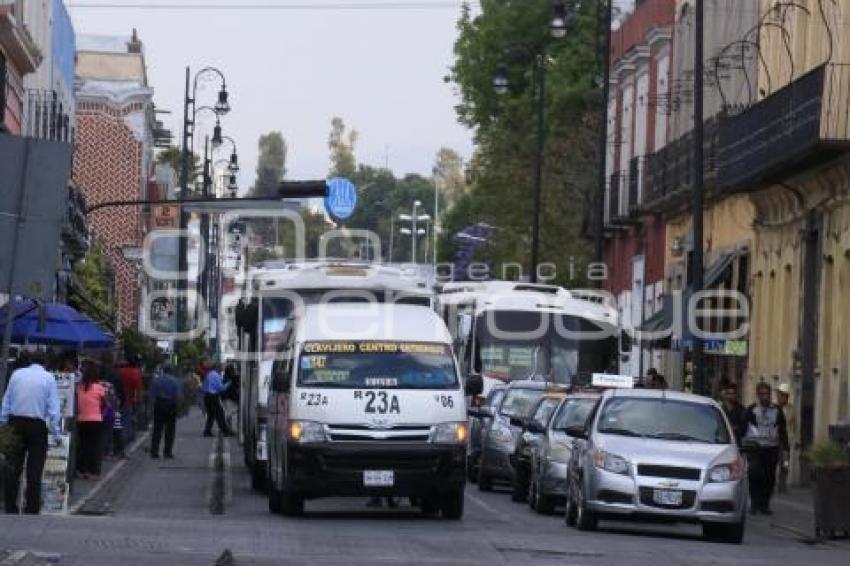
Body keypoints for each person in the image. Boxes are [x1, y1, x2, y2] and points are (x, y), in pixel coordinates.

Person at [0, 351, 61, 514]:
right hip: (36, 425)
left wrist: (3, 424)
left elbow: (7, 401)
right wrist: (56, 432)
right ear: (45, 363)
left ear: (29, 361)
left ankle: (10, 507)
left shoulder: (16, 375)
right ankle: (31, 508)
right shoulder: (49, 378)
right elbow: (54, 409)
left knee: (12, 468)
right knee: (34, 470)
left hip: (15, 422)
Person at [744, 382, 789, 515]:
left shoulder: (777, 410)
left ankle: (765, 504)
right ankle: (754, 502)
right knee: (754, 473)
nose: (765, 397)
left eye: (767, 394)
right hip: (755, 448)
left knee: (769, 477)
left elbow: (782, 431)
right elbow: (743, 428)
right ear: (758, 395)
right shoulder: (751, 409)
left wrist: (786, 449)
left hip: (771, 448)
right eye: (762, 394)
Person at [76, 362, 107, 480]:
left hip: (82, 419)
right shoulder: (99, 387)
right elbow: (104, 403)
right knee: (94, 446)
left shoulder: (79, 387)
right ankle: (92, 471)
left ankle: (81, 470)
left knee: (83, 446)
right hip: (95, 420)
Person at [150, 364, 182, 459]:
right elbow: (178, 396)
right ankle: (167, 452)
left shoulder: (157, 380)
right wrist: (179, 408)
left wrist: (151, 408)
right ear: (171, 371)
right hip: (170, 405)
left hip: (159, 404)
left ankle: (154, 451)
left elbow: (152, 395)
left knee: (157, 429)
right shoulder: (175, 381)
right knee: (170, 430)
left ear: (163, 370)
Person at [775, 383, 796, 494]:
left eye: (782, 395)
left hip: (786, 441)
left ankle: (782, 484)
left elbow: (795, 425)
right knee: (774, 463)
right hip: (775, 440)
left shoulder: (791, 409)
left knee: (785, 463)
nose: (780, 397)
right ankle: (774, 483)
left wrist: (796, 440)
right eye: (779, 395)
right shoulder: (774, 408)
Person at [201, 362, 232, 437]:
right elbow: (220, 388)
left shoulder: (209, 374)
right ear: (217, 368)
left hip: (207, 396)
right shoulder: (216, 375)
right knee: (220, 414)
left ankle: (207, 431)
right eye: (221, 368)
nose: (222, 369)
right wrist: (228, 384)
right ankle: (225, 431)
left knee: (211, 415)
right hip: (213, 397)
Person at [118, 356, 143, 443]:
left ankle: (119, 438)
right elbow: (138, 389)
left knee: (119, 419)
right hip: (129, 399)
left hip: (119, 398)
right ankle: (125, 438)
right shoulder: (136, 373)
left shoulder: (121, 371)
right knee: (127, 419)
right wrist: (139, 400)